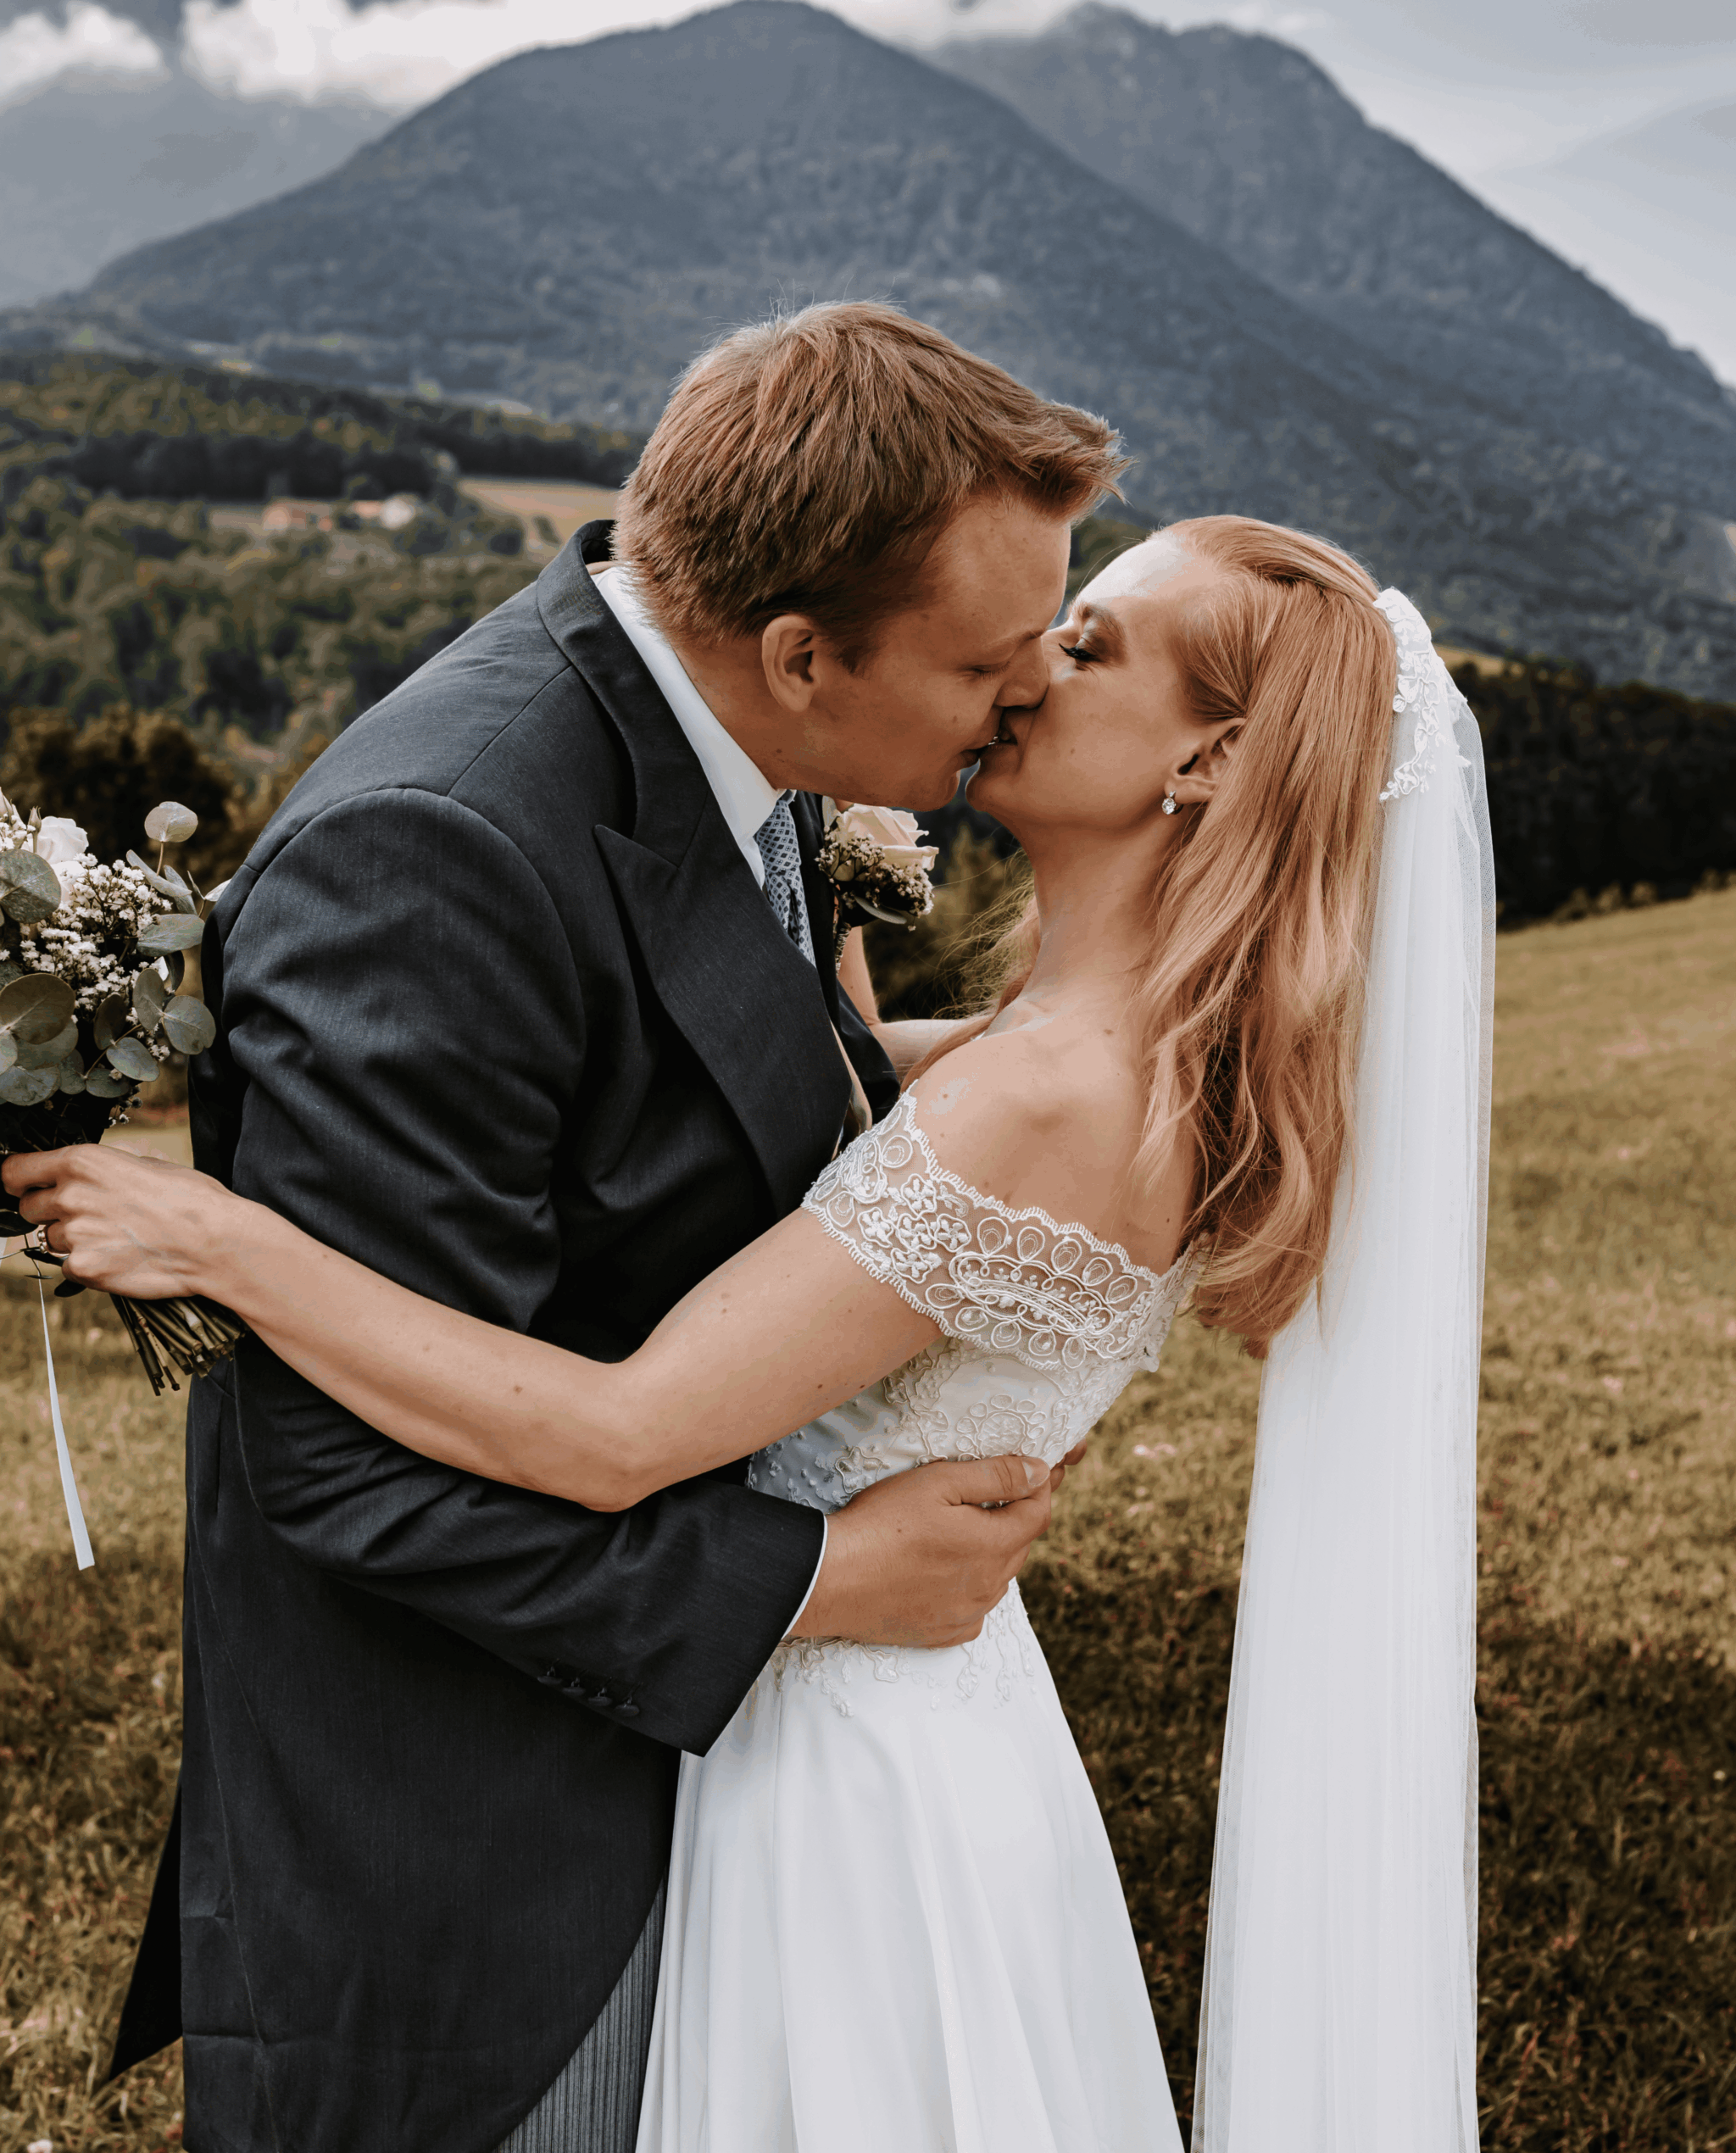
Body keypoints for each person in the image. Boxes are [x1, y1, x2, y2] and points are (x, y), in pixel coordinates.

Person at [10, 513, 1494, 2150]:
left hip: (840, 1774)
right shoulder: (1094, 1050)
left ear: (1207, 763)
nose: (1024, 670)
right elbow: (846, 1107)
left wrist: (224, 1238)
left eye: (1086, 647)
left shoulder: (1044, 1093)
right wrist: (818, 910)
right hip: (939, 1728)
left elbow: (617, 1432)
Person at [41, 303, 1124, 2153]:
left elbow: (703, 1114)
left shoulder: (725, 739)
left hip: (713, 1807)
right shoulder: (434, 856)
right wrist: (812, 1584)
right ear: (797, 652)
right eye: (992, 662)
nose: (1022, 698)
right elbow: (360, 1479)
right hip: (486, 1878)